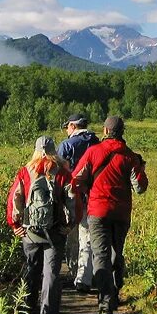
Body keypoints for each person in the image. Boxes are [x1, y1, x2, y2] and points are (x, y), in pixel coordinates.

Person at [72, 116, 147, 314]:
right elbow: (140, 188)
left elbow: (75, 181)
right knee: (116, 253)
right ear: (122, 132)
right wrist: (141, 168)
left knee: (101, 256)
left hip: (97, 211)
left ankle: (105, 303)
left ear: (105, 131)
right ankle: (115, 289)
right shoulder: (130, 157)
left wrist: (86, 190)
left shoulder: (93, 152)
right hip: (121, 213)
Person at [6, 136, 81, 314]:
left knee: (31, 269)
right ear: (54, 150)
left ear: (36, 150)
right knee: (52, 273)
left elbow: (15, 198)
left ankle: (25, 313)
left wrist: (15, 225)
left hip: (30, 232)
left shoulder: (25, 172)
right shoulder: (63, 172)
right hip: (55, 232)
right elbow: (73, 199)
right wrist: (71, 224)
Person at [57, 113, 100, 293]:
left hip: (72, 196)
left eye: (67, 126)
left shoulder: (66, 145)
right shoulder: (97, 143)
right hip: (93, 197)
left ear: (73, 126)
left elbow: (58, 173)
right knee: (87, 237)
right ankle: (84, 277)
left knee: (71, 236)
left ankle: (75, 273)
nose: (67, 130)